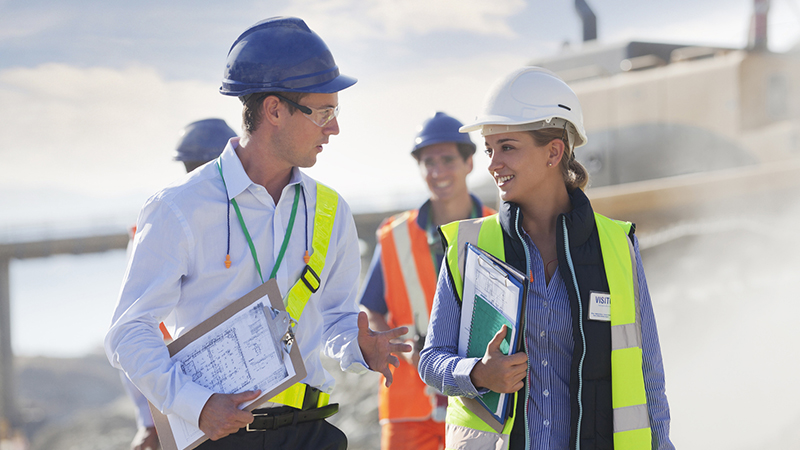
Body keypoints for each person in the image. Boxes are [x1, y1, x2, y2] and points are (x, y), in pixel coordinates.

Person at [105, 17, 410, 450]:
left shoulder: (330, 210)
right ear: (274, 110)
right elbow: (128, 332)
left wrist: (360, 347)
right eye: (325, 112)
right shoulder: (177, 209)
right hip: (221, 437)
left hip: (311, 431)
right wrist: (197, 404)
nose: (335, 128)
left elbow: (336, 320)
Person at [418, 67, 673, 450]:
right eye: (489, 150)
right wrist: (478, 373)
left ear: (554, 151)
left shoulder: (617, 245)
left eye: (507, 147)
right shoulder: (470, 245)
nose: (492, 164)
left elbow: (648, 372)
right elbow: (431, 360)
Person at [358, 112, 495, 450]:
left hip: (484, 398)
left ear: (469, 163)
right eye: (428, 162)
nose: (437, 171)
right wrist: (398, 348)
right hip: (409, 407)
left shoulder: (499, 229)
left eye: (447, 160)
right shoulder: (394, 236)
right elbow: (372, 310)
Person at [121, 118, 238, 450]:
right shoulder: (161, 229)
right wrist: (150, 420)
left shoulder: (160, 229)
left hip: (194, 396)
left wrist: (148, 420)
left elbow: (129, 340)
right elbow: (130, 336)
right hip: (188, 397)